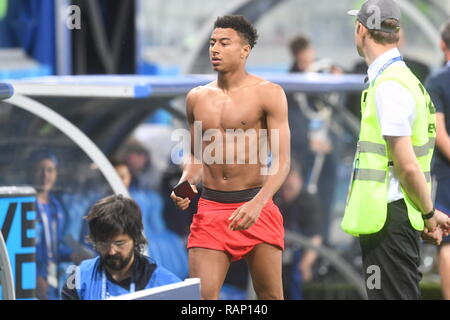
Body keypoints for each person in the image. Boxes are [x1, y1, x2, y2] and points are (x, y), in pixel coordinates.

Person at [170, 15, 290, 300]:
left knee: (270, 297)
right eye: (212, 42)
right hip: (211, 210)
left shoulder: (269, 94)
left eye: (225, 43)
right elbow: (196, 158)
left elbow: (282, 162)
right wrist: (185, 182)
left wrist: (257, 204)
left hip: (257, 208)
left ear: (244, 50)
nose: (215, 49)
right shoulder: (196, 98)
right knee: (200, 299)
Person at [342, 0, 450, 300]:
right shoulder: (403, 80)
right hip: (392, 215)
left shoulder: (389, 85)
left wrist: (427, 214)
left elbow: (406, 166)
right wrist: (428, 209)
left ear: (361, 29)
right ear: (396, 33)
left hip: (388, 220)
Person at [62, 194, 181, 300]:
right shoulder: (78, 277)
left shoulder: (166, 285)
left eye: (119, 243)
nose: (111, 251)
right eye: (103, 243)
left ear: (135, 239)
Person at [27, 149, 73, 300]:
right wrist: (33, 277)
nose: (45, 176)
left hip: (52, 279)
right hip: (32, 281)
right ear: (31, 172)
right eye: (39, 170)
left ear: (56, 174)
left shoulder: (56, 206)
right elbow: (22, 248)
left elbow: (54, 246)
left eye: (50, 170)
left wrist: (73, 254)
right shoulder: (26, 205)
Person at [425, 20, 450, 300]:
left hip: (446, 176)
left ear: (443, 45)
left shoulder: (437, 82)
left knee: (448, 244)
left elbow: (439, 135)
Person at [275, 161, 323, 300]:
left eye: (289, 187)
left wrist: (306, 263)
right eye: (283, 187)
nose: (286, 192)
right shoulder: (277, 200)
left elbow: (315, 238)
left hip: (299, 258)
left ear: (299, 180)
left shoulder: (308, 201)